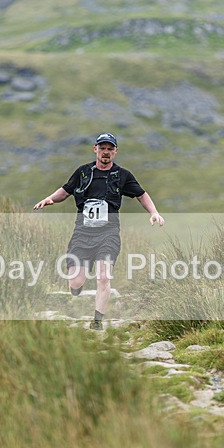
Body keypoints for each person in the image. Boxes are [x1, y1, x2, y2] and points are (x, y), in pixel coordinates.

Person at [33, 132, 164, 330]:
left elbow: (141, 194)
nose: (106, 152)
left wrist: (154, 212)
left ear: (115, 152)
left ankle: (97, 322)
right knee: (76, 282)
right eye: (102, 148)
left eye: (110, 149)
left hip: (108, 233)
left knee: (104, 276)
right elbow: (65, 190)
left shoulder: (123, 176)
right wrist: (50, 199)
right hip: (83, 233)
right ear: (95, 149)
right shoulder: (83, 172)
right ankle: (78, 289)